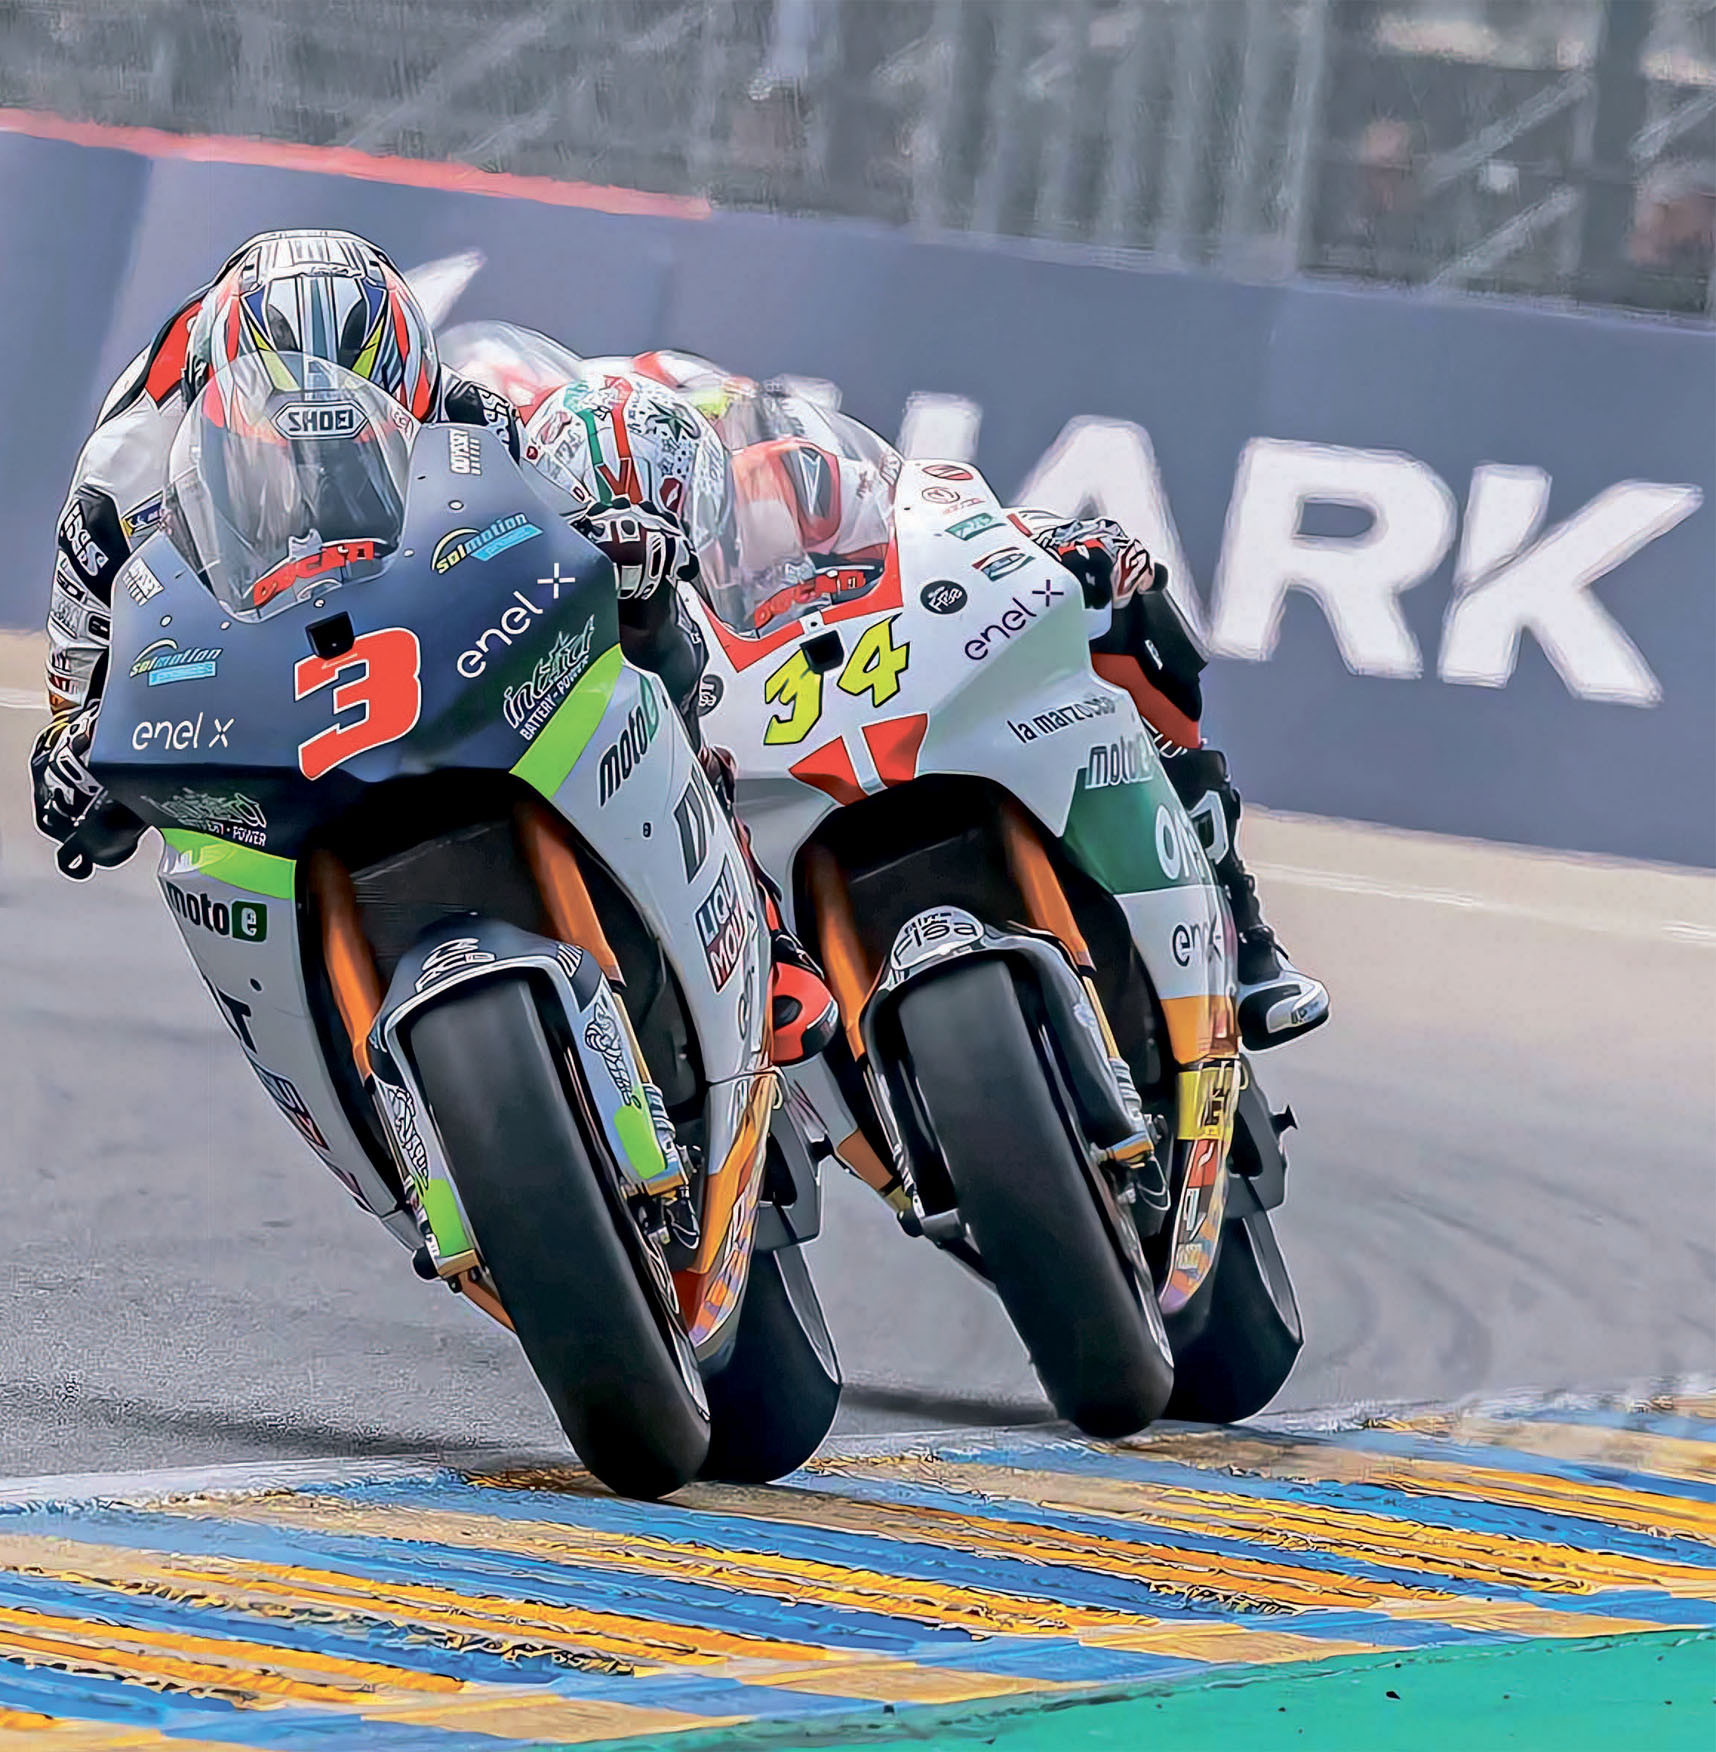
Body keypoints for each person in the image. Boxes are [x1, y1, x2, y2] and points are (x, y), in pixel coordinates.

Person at [28, 229, 839, 1066]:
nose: (327, 469)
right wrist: (74, 752)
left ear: (413, 388)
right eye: (293, 453)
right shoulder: (120, 481)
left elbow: (562, 521)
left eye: (365, 440)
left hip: (409, 618)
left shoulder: (464, 405)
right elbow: (79, 685)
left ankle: (758, 923)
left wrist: (615, 540)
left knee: (646, 609)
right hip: (250, 643)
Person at [613, 354, 1328, 1051]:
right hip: (774, 733)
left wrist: (1056, 541)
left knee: (1123, 611)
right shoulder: (621, 579)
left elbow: (944, 519)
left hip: (897, 666)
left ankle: (1247, 934)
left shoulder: (795, 477)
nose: (657, 486)